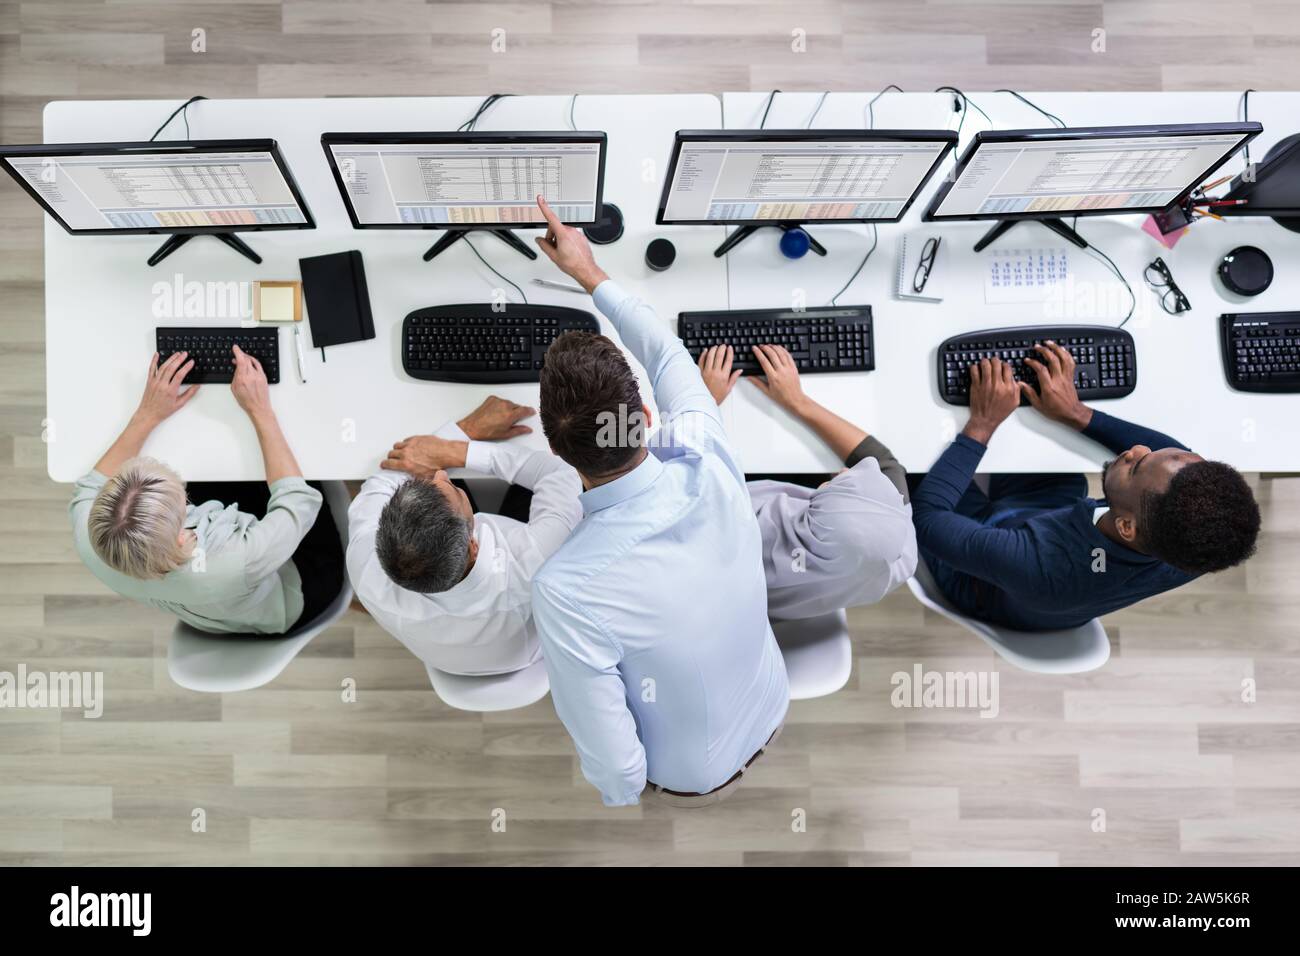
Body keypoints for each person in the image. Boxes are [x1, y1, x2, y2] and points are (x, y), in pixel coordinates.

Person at [529, 196, 789, 808]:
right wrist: (590, 274)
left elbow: (621, 777)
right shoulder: (705, 449)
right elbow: (667, 354)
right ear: (645, 417)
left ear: (557, 449)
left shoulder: (566, 590)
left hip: (698, 773)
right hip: (772, 699)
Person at [911, 343, 1261, 631]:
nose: (1135, 449)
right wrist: (1077, 413)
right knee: (1041, 442)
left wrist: (982, 424)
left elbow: (928, 519)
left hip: (984, 577)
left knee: (913, 459)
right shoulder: (1195, 546)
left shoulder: (1042, 566)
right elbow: (1178, 459)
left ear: (1126, 525)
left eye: (1136, 465)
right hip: (1051, 525)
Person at [69, 347, 344, 635]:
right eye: (182, 497)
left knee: (219, 465)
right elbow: (299, 501)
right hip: (298, 586)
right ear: (183, 529)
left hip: (214, 604)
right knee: (307, 460)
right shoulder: (234, 560)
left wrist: (147, 415)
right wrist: (259, 409)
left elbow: (91, 485)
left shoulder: (90, 539)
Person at [346, 396, 582, 676]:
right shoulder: (536, 567)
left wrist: (457, 435)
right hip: (526, 653)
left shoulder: (365, 566)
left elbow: (383, 481)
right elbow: (561, 472)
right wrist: (456, 449)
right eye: (454, 492)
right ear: (472, 546)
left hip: (447, 658)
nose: (441, 474)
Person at [698, 343, 916, 619]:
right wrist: (797, 401)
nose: (848, 471)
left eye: (844, 485)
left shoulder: (728, 524)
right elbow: (885, 464)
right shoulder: (899, 560)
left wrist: (702, 404)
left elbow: (677, 468)